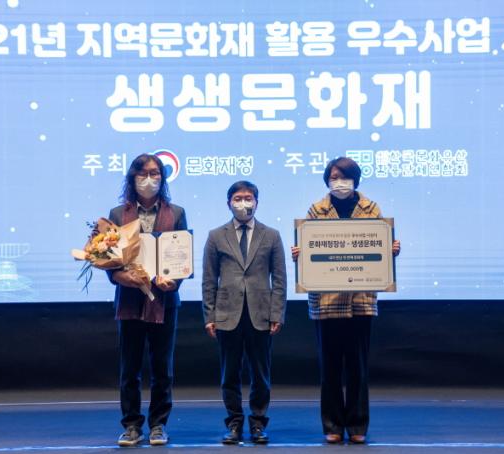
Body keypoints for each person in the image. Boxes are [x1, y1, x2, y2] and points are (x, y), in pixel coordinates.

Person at [291, 157, 400, 444]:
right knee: (330, 369)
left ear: (355, 179)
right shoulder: (316, 210)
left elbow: (379, 249)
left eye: (344, 177)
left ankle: (357, 425)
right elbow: (309, 252)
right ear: (327, 180)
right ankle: (333, 425)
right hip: (326, 303)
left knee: (357, 368)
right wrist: (300, 255)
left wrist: (390, 250)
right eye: (334, 177)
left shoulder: (371, 209)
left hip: (361, 301)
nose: (339, 182)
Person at [107, 153, 187, 447]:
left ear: (162, 179)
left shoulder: (176, 213)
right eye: (142, 174)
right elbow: (109, 257)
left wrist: (174, 281)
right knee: (130, 368)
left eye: (155, 174)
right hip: (130, 300)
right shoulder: (118, 214)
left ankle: (158, 425)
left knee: (162, 368)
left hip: (164, 301)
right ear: (132, 178)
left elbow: (182, 256)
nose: (149, 179)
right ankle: (131, 425)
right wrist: (120, 276)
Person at [202, 180, 287, 445]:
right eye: (238, 198)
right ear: (229, 203)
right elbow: (209, 279)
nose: (243, 203)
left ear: (257, 203)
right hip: (227, 314)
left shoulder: (271, 235)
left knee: (261, 374)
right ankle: (234, 423)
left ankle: (258, 423)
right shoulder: (216, 236)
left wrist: (277, 313)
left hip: (261, 314)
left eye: (248, 198)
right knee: (230, 374)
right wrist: (209, 316)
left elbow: (280, 279)